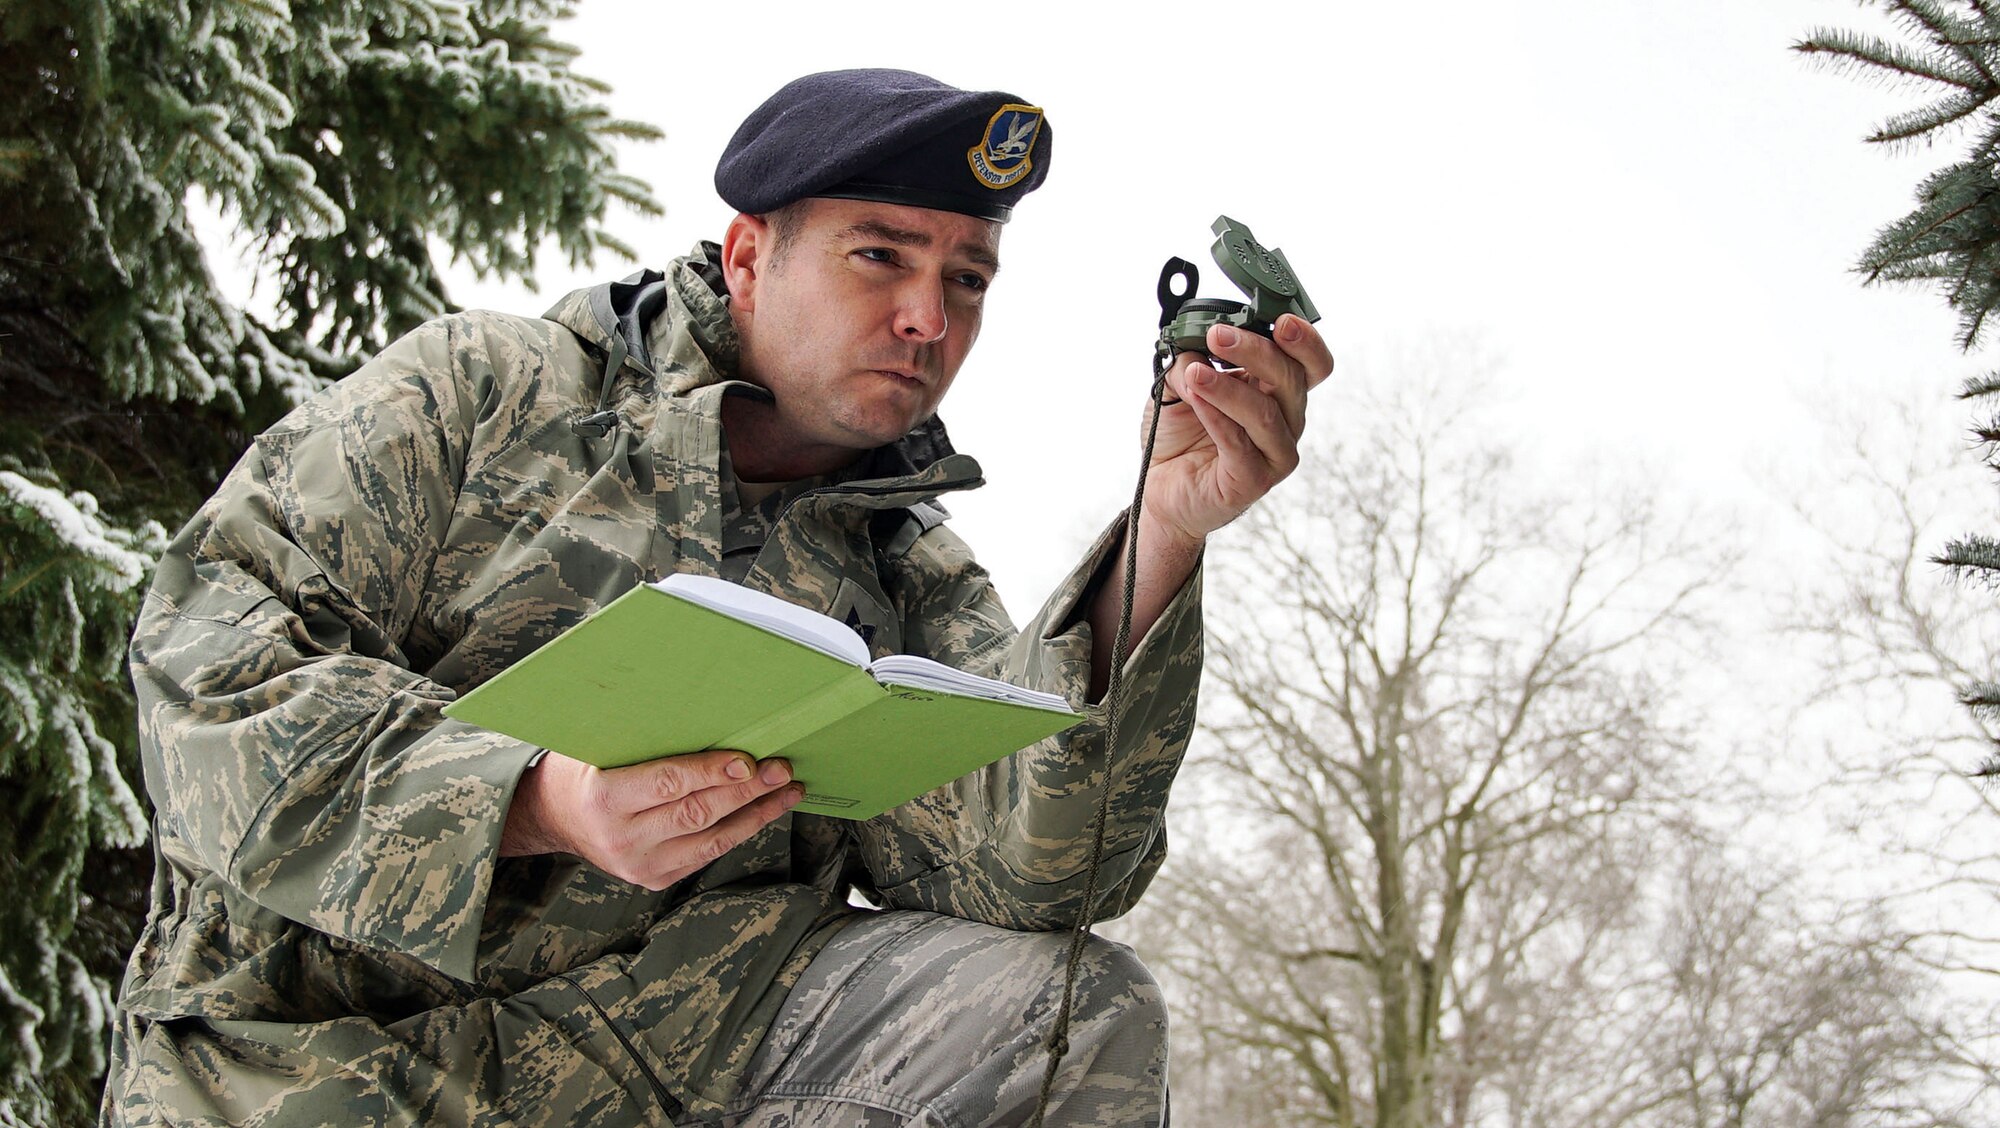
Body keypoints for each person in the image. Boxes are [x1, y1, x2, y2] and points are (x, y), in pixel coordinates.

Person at [103, 69, 1333, 1126]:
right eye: (879, 257)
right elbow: (204, 673)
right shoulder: (481, 397)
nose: (926, 318)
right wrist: (534, 801)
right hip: (313, 1078)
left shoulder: (902, 560)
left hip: (661, 1076)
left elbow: (1034, 885)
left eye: (967, 279)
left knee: (1069, 1009)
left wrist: (1162, 534)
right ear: (748, 255)